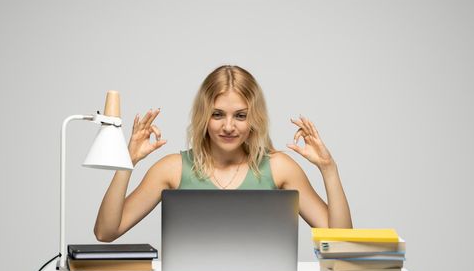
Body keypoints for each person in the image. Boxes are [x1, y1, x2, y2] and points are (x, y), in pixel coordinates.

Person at [94, 65, 352, 242]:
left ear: (254, 119)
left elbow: (342, 243)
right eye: (218, 114)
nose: (228, 126)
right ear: (203, 116)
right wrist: (126, 161)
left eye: (240, 116)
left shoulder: (279, 167)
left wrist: (328, 168)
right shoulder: (172, 169)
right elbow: (106, 232)